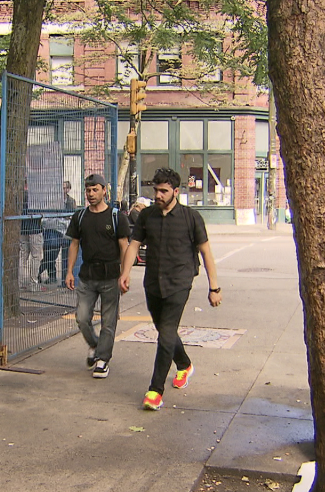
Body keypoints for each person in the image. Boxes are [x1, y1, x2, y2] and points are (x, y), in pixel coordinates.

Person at [119, 167, 221, 410]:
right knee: (165, 330)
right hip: (153, 283)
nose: (158, 195)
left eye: (164, 191)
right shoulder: (147, 216)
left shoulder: (191, 218)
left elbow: (206, 252)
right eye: (156, 190)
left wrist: (214, 287)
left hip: (179, 283)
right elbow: (134, 244)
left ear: (176, 191)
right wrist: (125, 272)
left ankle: (155, 390)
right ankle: (184, 365)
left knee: (165, 334)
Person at [66, 174, 131, 379]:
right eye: (88, 190)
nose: (91, 194)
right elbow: (74, 244)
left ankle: (102, 359)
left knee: (108, 321)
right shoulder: (80, 217)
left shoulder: (116, 216)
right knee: (82, 318)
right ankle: (95, 345)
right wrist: (69, 272)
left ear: (104, 190)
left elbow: (124, 246)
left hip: (111, 276)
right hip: (87, 276)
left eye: (95, 189)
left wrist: (125, 273)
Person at [20, 184, 43, 289]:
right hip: (35, 228)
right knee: (36, 256)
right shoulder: (37, 195)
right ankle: (33, 282)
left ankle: (19, 282)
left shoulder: (20, 195)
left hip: (22, 228)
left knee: (22, 256)